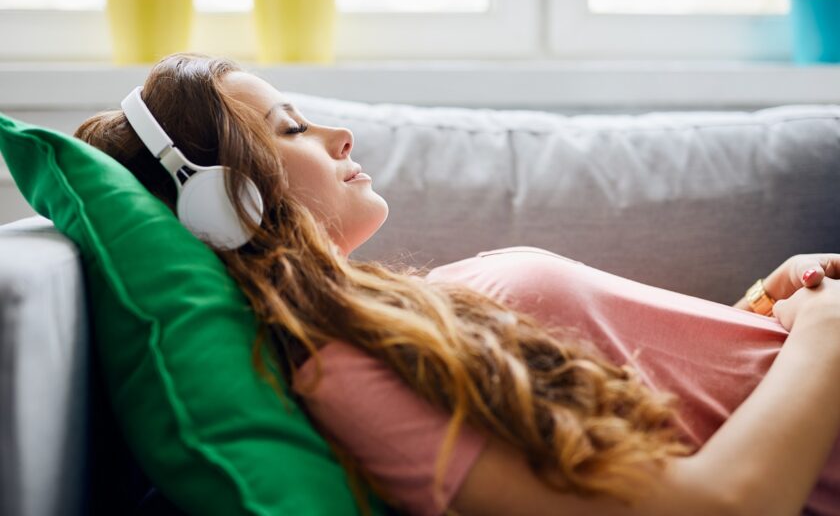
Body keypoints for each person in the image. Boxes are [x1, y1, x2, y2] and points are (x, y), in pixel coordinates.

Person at [74, 52, 840, 516]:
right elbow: (728, 505)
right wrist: (824, 331)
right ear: (227, 204)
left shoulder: (394, 323)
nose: (340, 135)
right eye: (290, 127)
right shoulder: (353, 378)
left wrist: (761, 312)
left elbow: (659, 400)